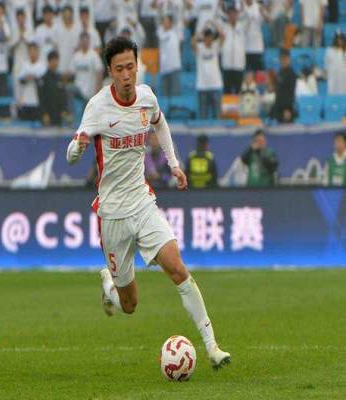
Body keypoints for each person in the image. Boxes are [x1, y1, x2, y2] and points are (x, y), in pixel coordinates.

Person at [66, 36, 230, 368]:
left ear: (137, 66)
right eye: (119, 69)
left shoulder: (147, 98)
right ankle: (109, 286)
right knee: (129, 305)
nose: (126, 75)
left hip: (142, 203)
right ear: (110, 71)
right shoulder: (97, 106)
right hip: (112, 213)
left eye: (131, 67)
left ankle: (213, 347)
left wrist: (174, 164)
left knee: (177, 267)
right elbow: (72, 153)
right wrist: (77, 147)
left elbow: (160, 124)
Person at [192, 26, 224, 119]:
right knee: (203, 115)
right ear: (204, 38)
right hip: (203, 86)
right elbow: (192, 41)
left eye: (211, 38)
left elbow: (223, 36)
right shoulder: (200, 47)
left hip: (215, 85)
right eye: (208, 38)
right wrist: (201, 30)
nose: (210, 40)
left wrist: (213, 24)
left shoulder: (215, 46)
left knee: (217, 115)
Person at [38, 50, 68, 126]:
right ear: (49, 62)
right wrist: (44, 114)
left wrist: (64, 110)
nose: (55, 63)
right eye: (53, 60)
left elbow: (63, 95)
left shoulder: (59, 78)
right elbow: (41, 98)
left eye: (56, 60)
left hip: (58, 116)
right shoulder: (44, 79)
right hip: (47, 115)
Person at [272, 48, 296, 123]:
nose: (283, 61)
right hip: (278, 106)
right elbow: (278, 89)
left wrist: (287, 109)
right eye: (281, 59)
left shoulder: (291, 74)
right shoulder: (280, 72)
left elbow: (291, 92)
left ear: (289, 59)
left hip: (286, 109)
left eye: (285, 59)